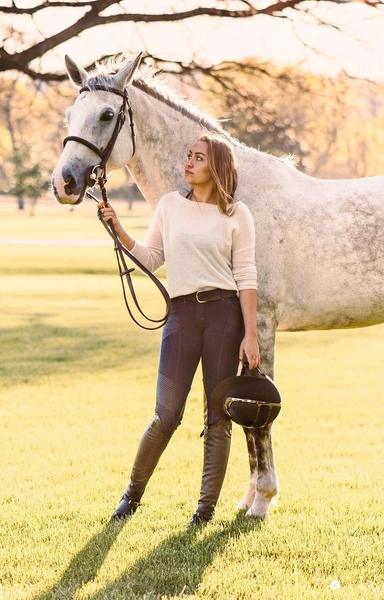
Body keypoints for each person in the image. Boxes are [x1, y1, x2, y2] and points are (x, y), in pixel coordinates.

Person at [99, 132, 260, 526]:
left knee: (218, 419)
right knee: (165, 414)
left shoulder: (237, 215)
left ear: (217, 167)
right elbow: (152, 258)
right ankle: (130, 498)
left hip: (224, 317)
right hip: (182, 317)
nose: (188, 162)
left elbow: (246, 276)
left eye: (198, 157)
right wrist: (118, 228)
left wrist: (250, 334)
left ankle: (204, 512)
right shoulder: (170, 206)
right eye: (188, 155)